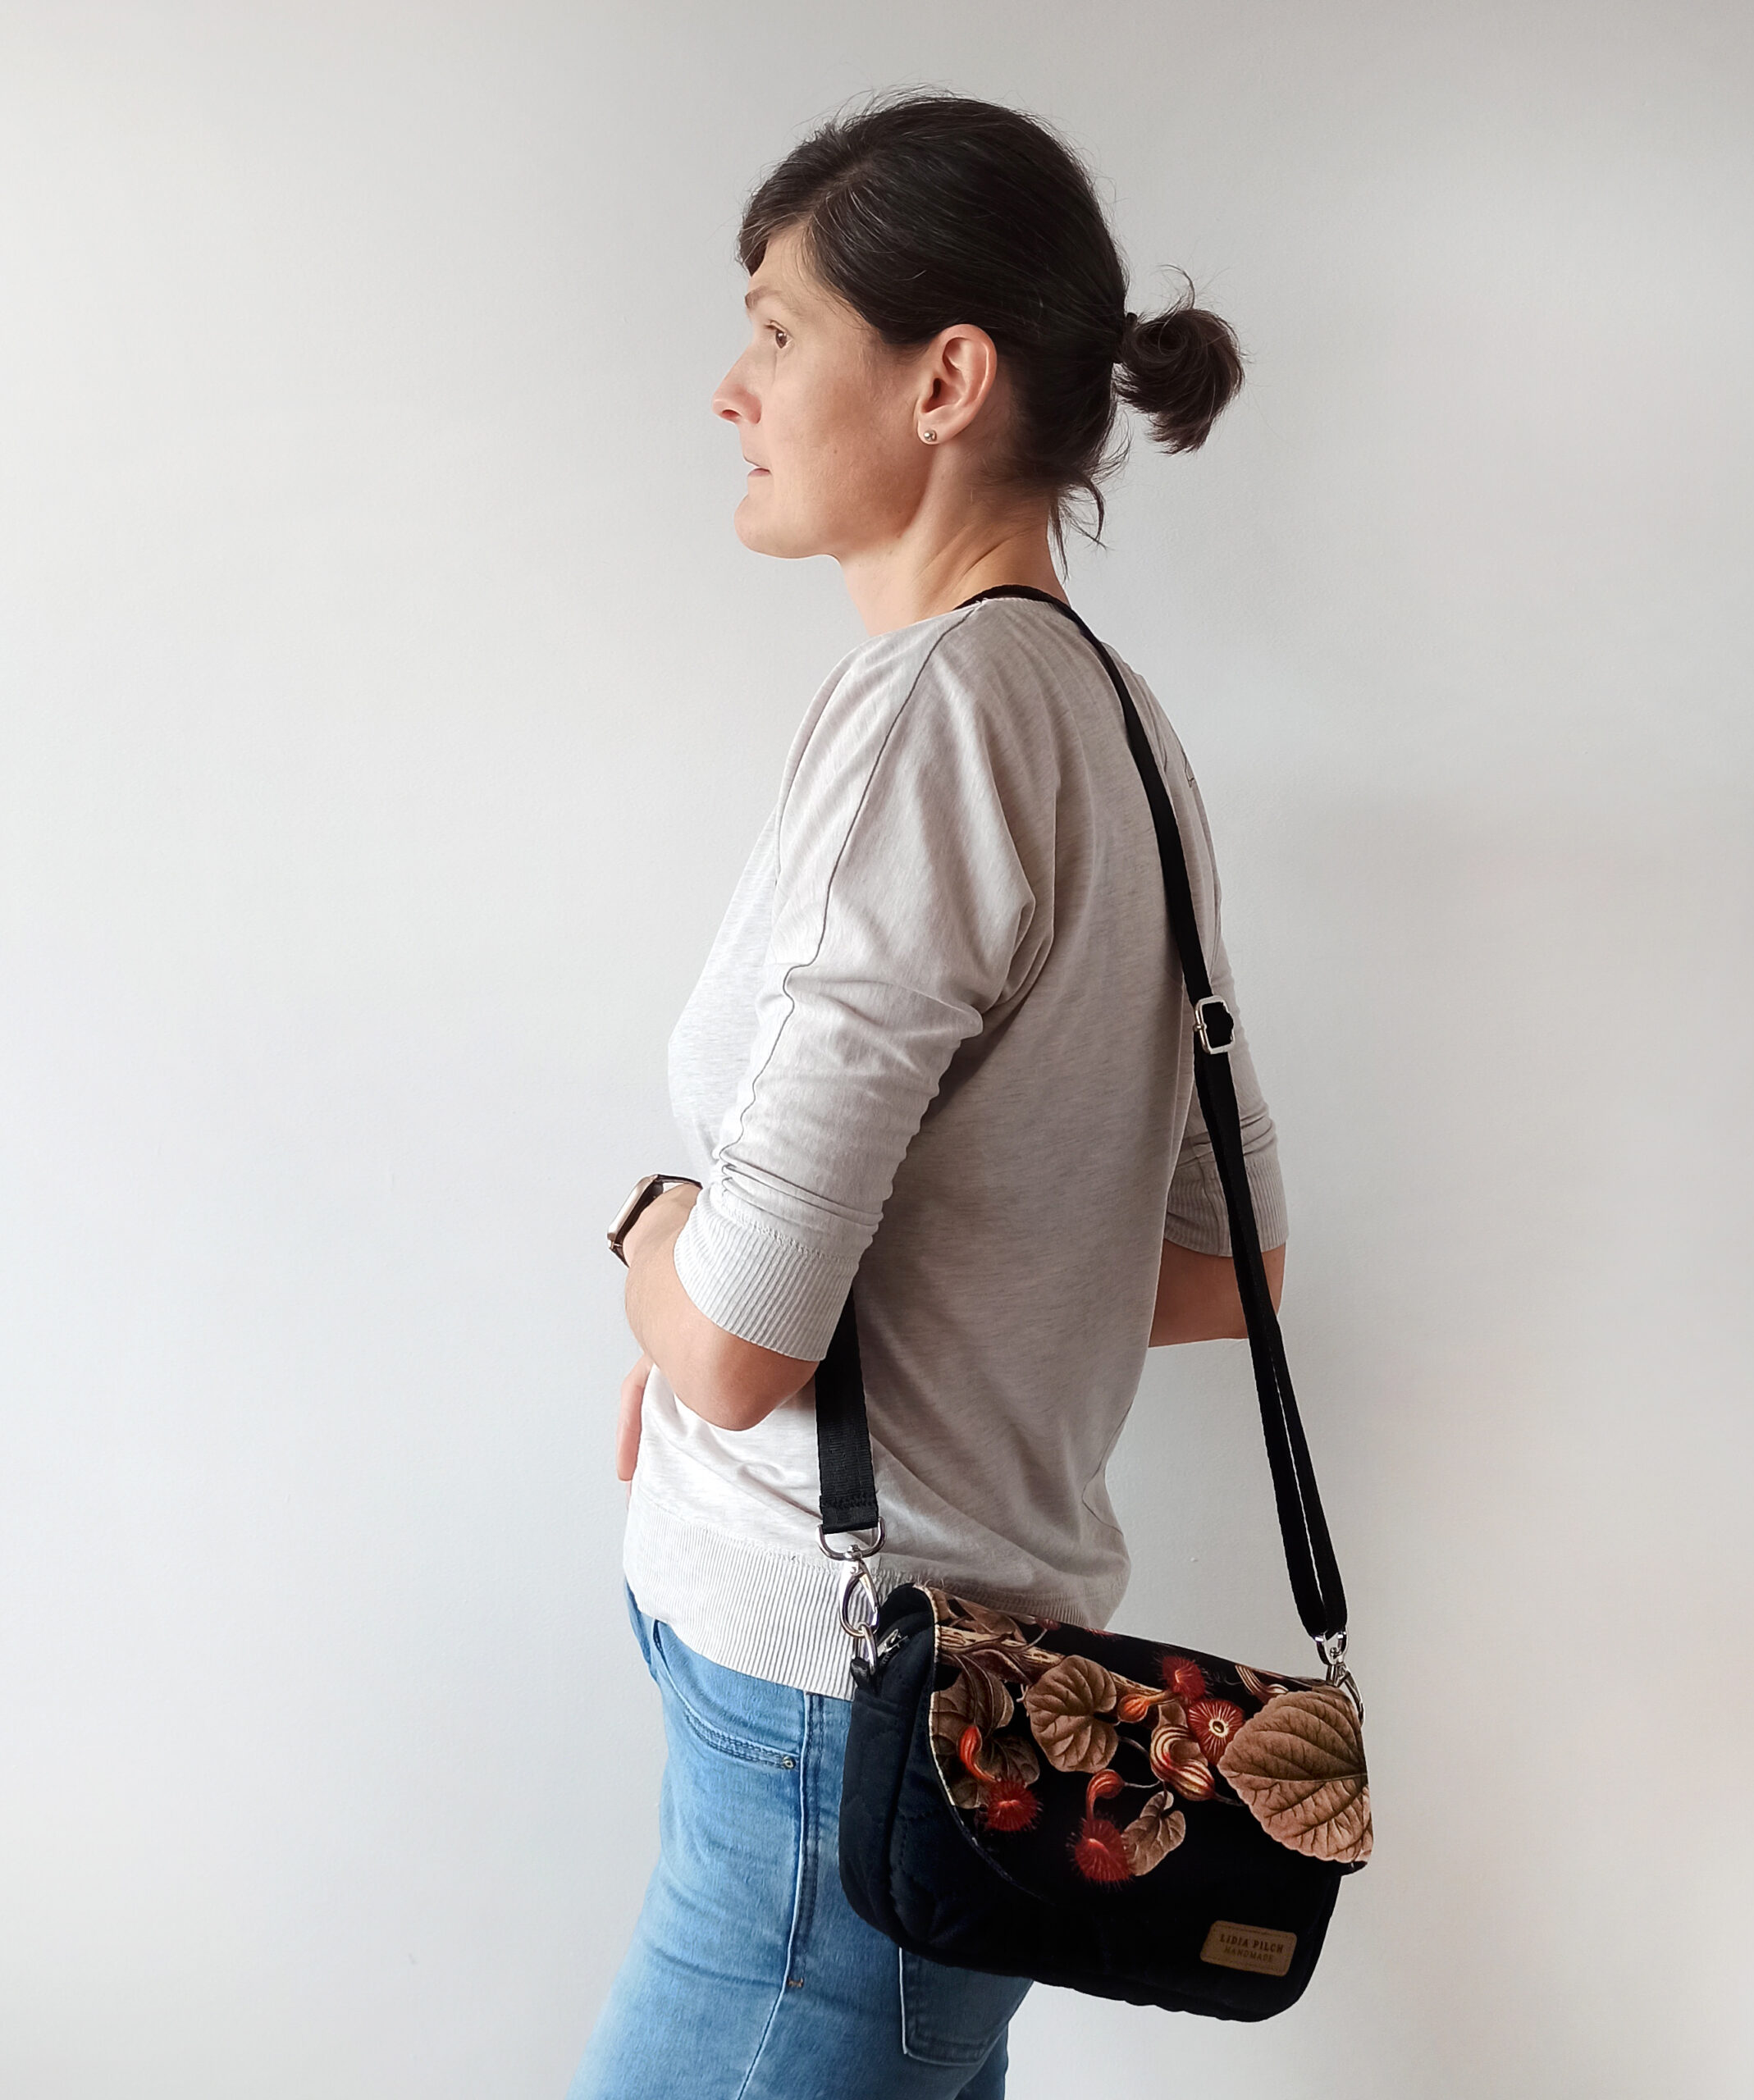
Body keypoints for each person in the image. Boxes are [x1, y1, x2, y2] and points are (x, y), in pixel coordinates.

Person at [572, 92, 1288, 2100]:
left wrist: (654, 1239)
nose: (731, 389)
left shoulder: (934, 723)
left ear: (944, 379)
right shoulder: (1110, 722)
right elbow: (1224, 1261)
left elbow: (733, 1343)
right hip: (940, 1716)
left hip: (834, 1720)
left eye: (776, 329)